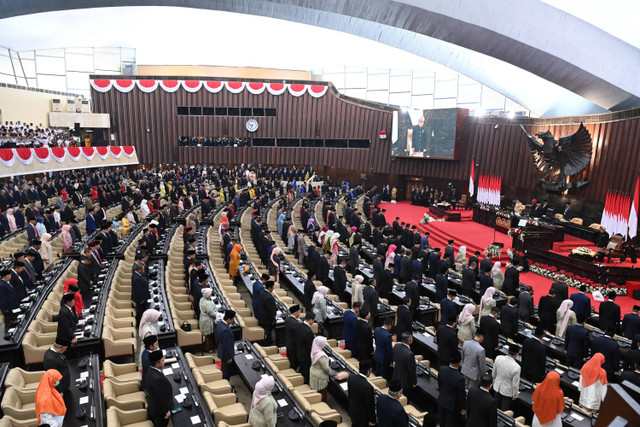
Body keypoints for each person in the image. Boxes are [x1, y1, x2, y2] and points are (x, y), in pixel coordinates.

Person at [438, 350, 466, 427]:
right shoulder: (460, 378)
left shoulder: (442, 369)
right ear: (460, 362)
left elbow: (440, 385)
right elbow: (461, 396)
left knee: (441, 422)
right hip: (452, 406)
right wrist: (463, 408)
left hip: (442, 399)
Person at [146, 350, 173, 427]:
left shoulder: (150, 370)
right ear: (157, 364)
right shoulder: (158, 379)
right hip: (159, 410)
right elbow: (161, 397)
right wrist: (167, 411)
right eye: (163, 360)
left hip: (153, 404)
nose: (164, 361)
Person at [347, 359, 376, 427]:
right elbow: (370, 406)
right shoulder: (368, 387)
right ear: (368, 372)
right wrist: (372, 420)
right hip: (362, 417)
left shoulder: (351, 377)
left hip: (352, 410)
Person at [492, 344, 521, 411]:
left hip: (497, 387)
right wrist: (515, 395)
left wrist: (493, 382)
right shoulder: (517, 367)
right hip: (507, 392)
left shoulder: (498, 358)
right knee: (504, 411)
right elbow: (515, 383)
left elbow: (494, 372)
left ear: (508, 351)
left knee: (494, 407)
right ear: (517, 354)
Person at [295, 312, 316, 383]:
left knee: (301, 369)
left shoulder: (299, 325)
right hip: (306, 356)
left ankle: (299, 381)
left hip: (298, 352)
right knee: (307, 372)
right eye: (313, 320)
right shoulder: (309, 332)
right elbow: (310, 347)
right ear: (310, 320)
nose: (313, 322)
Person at [310, 336, 331, 401]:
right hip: (320, 377)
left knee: (315, 393)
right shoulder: (321, 356)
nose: (325, 344)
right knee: (322, 394)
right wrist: (330, 373)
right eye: (324, 343)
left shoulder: (314, 350)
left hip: (313, 373)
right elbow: (326, 368)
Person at [217, 309, 236, 380]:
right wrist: (229, 357)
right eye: (232, 319)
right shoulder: (226, 330)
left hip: (221, 350)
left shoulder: (220, 324)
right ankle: (226, 384)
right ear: (228, 319)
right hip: (226, 355)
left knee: (224, 368)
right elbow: (227, 345)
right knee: (226, 371)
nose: (233, 321)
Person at [132, 263, 150, 328]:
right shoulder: (137, 278)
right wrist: (142, 299)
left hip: (141, 297)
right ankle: (139, 325)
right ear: (139, 270)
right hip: (139, 299)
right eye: (143, 269)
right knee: (140, 312)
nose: (144, 271)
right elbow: (138, 290)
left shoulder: (137, 275)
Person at [259, 281, 277, 345]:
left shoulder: (262, 292)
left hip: (262, 315)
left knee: (266, 331)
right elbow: (271, 310)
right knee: (268, 331)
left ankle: (268, 341)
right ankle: (268, 343)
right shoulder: (269, 297)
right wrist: (273, 319)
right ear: (270, 288)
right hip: (267, 318)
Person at [199, 288, 217, 353]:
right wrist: (218, 316)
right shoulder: (207, 304)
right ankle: (208, 349)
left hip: (202, 318)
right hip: (207, 321)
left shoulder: (202, 299)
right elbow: (212, 313)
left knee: (206, 335)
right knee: (208, 336)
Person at [285, 304, 301, 370]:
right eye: (299, 312)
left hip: (288, 343)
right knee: (293, 363)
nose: (300, 314)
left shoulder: (288, 319)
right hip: (293, 346)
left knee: (289, 360)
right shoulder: (295, 323)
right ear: (296, 313)